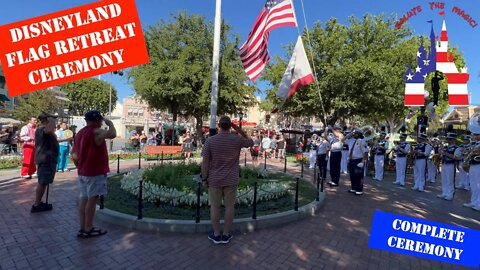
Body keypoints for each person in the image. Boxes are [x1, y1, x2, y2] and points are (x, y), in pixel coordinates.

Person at [201, 116, 253, 244]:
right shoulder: (237, 140)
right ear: (230, 126)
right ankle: (226, 234)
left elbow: (205, 162)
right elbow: (251, 142)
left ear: (219, 125)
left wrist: (204, 178)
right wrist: (239, 129)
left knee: (215, 207)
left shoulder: (210, 141)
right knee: (230, 207)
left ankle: (216, 234)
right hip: (231, 178)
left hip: (214, 179)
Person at [71, 111, 116, 238]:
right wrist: (110, 123)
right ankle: (89, 228)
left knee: (84, 198)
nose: (102, 122)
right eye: (101, 120)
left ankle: (82, 227)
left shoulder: (79, 133)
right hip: (95, 172)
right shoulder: (96, 131)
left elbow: (73, 153)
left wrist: (79, 166)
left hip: (83, 172)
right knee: (92, 199)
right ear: (97, 120)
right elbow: (112, 134)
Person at [31, 113, 59, 213]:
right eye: (52, 120)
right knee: (42, 182)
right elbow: (47, 130)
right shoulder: (42, 129)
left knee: (44, 182)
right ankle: (37, 204)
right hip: (45, 159)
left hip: (48, 159)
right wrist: (51, 121)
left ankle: (38, 202)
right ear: (47, 120)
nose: (55, 122)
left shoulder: (45, 129)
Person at [437, 133, 462, 201]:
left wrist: (446, 154)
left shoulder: (457, 148)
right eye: (447, 139)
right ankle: (444, 192)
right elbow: (440, 153)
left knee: (450, 180)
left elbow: (457, 157)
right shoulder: (446, 147)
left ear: (453, 139)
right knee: (444, 179)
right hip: (444, 164)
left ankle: (450, 194)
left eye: (449, 139)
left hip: (451, 164)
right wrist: (440, 146)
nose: (447, 140)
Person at [348, 129, 369, 195]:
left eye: (355, 133)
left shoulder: (362, 141)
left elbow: (365, 152)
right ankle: (354, 188)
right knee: (352, 175)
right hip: (352, 160)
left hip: (358, 160)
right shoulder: (353, 141)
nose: (354, 134)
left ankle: (359, 189)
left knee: (358, 176)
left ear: (359, 134)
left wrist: (362, 162)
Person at [463, 131, 480, 211]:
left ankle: (479, 203)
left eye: (477, 135)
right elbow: (468, 152)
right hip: (473, 164)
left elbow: (477, 152)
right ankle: (473, 202)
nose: (475, 136)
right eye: (475, 135)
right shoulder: (475, 144)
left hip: (479, 165)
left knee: (478, 184)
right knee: (473, 184)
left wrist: (475, 152)